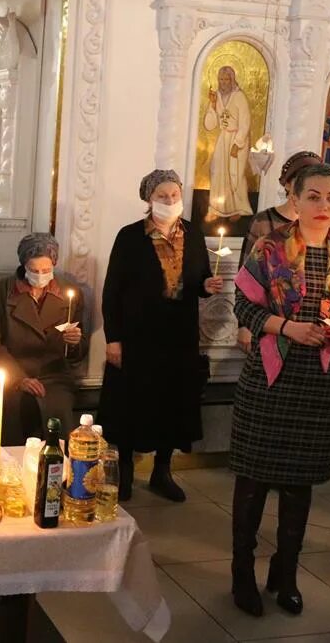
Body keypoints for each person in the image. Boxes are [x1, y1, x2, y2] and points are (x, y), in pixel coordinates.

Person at [231, 163, 330, 617]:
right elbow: (244, 309)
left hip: (320, 384)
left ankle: (285, 572)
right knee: (252, 482)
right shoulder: (269, 250)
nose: (324, 205)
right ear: (295, 198)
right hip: (272, 381)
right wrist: (288, 327)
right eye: (314, 196)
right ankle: (242, 573)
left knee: (299, 486)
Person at [98, 169, 223, 503]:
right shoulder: (130, 237)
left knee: (172, 402)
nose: (170, 201)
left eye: (174, 195)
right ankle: (123, 472)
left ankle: (162, 471)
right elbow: (112, 292)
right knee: (131, 403)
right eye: (162, 196)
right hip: (138, 334)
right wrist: (113, 338)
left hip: (178, 335)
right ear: (149, 200)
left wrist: (207, 287)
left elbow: (197, 280)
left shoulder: (194, 235)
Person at [0, 233, 85, 440]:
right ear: (24, 266)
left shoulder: (69, 293)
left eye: (47, 270)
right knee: (12, 418)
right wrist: (18, 378)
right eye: (34, 270)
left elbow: (76, 353)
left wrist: (74, 343)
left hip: (53, 375)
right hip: (11, 373)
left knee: (57, 420)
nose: (41, 275)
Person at [237, 151, 323, 353]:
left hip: (312, 326)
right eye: (301, 180)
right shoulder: (263, 222)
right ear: (288, 184)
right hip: (268, 322)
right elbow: (245, 278)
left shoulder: (326, 225)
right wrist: (243, 325)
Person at [204, 65, 253, 222]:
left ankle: (238, 208)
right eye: (221, 79)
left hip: (238, 140)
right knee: (217, 170)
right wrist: (212, 105)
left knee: (235, 174)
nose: (223, 83)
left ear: (232, 80)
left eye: (226, 79)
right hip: (223, 138)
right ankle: (216, 208)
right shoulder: (217, 96)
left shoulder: (239, 97)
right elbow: (209, 125)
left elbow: (245, 123)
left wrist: (237, 144)